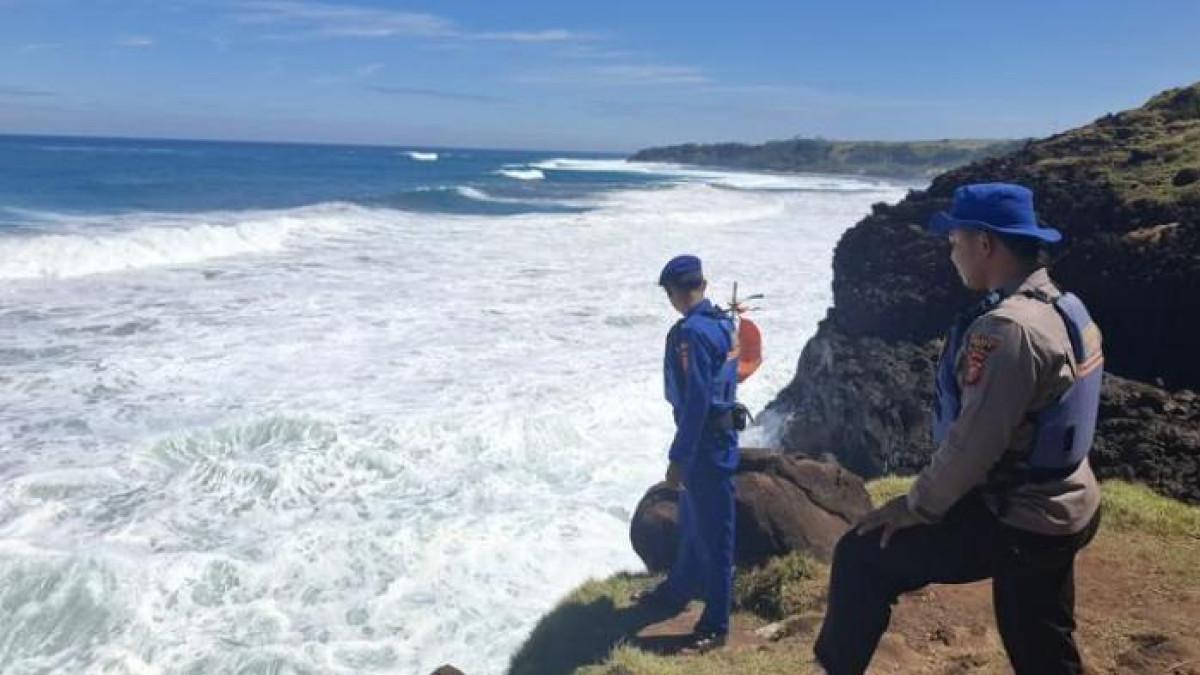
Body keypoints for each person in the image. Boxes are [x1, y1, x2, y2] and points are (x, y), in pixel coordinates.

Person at [813, 183, 1104, 675]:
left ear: (984, 243)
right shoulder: (1063, 307)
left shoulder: (1007, 330)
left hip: (1024, 517)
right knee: (1040, 638)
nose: (952, 253)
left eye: (955, 241)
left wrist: (916, 506)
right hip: (1070, 496)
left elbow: (973, 445)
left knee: (862, 555)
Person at [634, 254, 741, 652]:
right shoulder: (724, 324)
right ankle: (678, 589)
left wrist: (679, 457)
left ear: (674, 293)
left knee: (716, 536)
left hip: (704, 445)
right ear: (703, 285)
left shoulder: (692, 333)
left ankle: (716, 625)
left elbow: (697, 400)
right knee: (694, 522)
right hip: (719, 436)